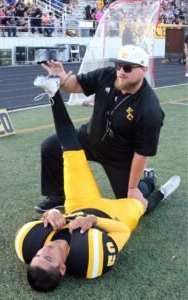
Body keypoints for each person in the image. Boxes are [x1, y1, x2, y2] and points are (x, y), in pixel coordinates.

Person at [15, 82, 180, 293]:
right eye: (48, 257)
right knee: (141, 204)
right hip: (114, 217)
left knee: (71, 151)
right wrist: (94, 220)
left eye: (38, 255)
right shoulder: (91, 259)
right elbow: (121, 231)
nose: (44, 249)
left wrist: (53, 212)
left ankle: (53, 92)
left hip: (79, 204)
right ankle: (157, 187)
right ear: (63, 268)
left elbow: (42, 226)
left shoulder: (33, 245)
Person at [34, 44, 165, 212]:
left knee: (131, 204)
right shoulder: (107, 75)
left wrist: (132, 189)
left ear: (144, 70)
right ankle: (57, 196)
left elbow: (142, 153)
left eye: (127, 67)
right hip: (89, 138)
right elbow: (74, 86)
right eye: (118, 65)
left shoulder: (150, 110)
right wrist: (61, 78)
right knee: (50, 146)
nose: (120, 71)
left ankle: (147, 182)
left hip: (118, 157)